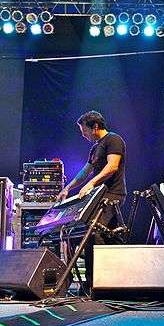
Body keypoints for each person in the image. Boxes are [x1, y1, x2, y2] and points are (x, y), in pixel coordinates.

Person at [56, 110, 127, 292]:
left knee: (94, 232)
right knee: (98, 234)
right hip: (99, 195)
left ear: (95, 127)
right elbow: (85, 171)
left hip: (113, 195)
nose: (83, 134)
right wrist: (67, 188)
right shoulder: (95, 148)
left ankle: (96, 284)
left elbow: (112, 166)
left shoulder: (113, 140)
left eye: (84, 130)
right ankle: (94, 284)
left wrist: (92, 184)